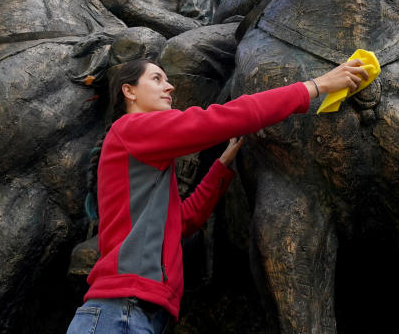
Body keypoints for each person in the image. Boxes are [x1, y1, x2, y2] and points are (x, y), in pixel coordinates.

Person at [66, 57, 369, 334]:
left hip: (138, 314)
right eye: (157, 79)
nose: (170, 85)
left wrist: (221, 166)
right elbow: (223, 117)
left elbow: (182, 222)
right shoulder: (131, 128)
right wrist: (317, 86)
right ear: (129, 92)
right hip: (118, 314)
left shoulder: (140, 146)